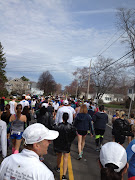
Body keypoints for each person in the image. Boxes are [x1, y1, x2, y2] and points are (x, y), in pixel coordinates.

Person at [53, 113, 76, 180]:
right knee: (66, 158)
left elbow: (55, 134)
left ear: (62, 118)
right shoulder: (71, 127)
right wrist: (70, 141)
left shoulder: (58, 126)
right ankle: (64, 174)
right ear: (68, 118)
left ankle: (58, 167)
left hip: (59, 144)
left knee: (59, 156)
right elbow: (74, 134)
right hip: (67, 144)